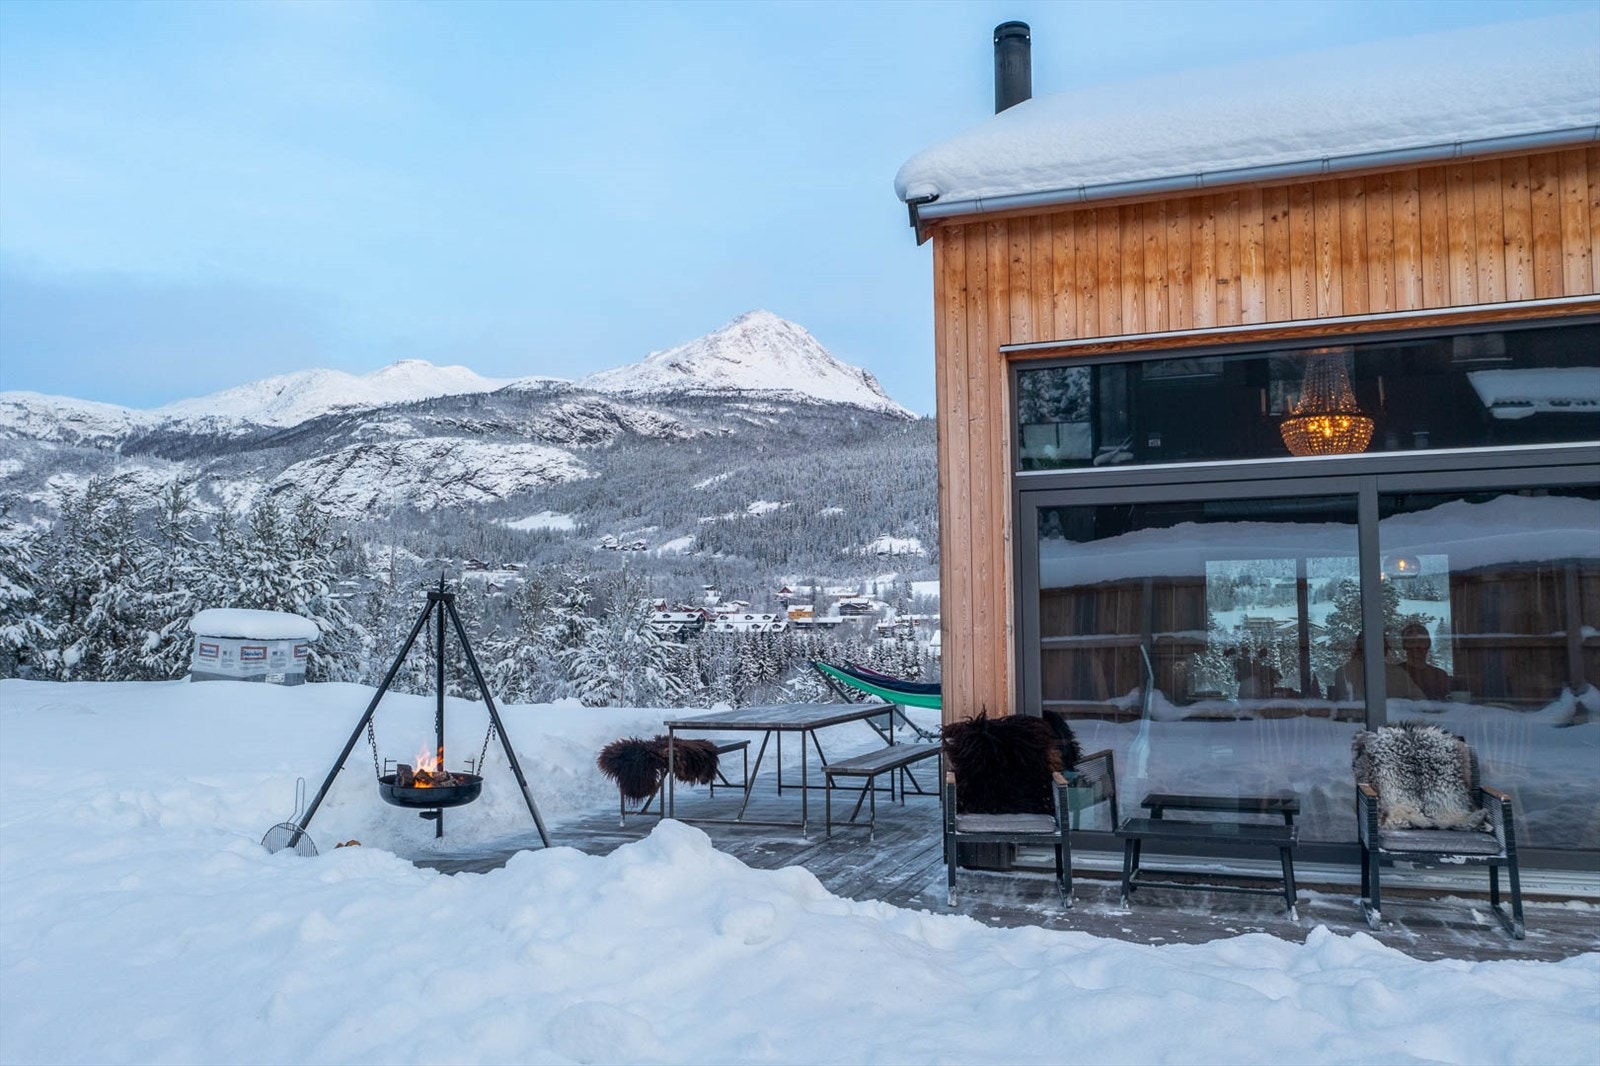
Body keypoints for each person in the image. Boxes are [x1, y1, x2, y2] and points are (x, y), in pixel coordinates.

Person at [1333, 633, 1422, 702]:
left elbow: (1420, 701)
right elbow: (1348, 704)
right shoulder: (1346, 672)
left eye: (1380, 644)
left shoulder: (1397, 673)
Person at [1400, 622, 1452, 700]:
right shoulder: (1397, 673)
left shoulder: (1440, 675)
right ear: (1404, 646)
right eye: (1412, 642)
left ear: (1428, 645)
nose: (1417, 646)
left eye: (1422, 641)